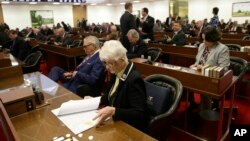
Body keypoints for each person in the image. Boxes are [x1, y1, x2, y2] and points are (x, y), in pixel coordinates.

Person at [93, 40, 149, 132]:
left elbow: (139, 113)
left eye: (110, 63)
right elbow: (108, 94)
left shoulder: (134, 80)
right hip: (116, 120)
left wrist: (115, 111)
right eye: (105, 63)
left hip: (130, 126)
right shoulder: (116, 70)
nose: (107, 67)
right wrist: (92, 102)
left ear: (121, 61)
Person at [190, 26, 230, 110]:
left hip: (211, 78)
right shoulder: (201, 46)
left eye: (206, 40)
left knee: (204, 89)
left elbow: (224, 69)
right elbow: (198, 61)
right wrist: (194, 65)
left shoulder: (223, 49)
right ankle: (192, 103)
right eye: (203, 39)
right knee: (183, 82)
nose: (203, 42)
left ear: (214, 39)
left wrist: (204, 67)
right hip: (198, 74)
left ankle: (206, 111)